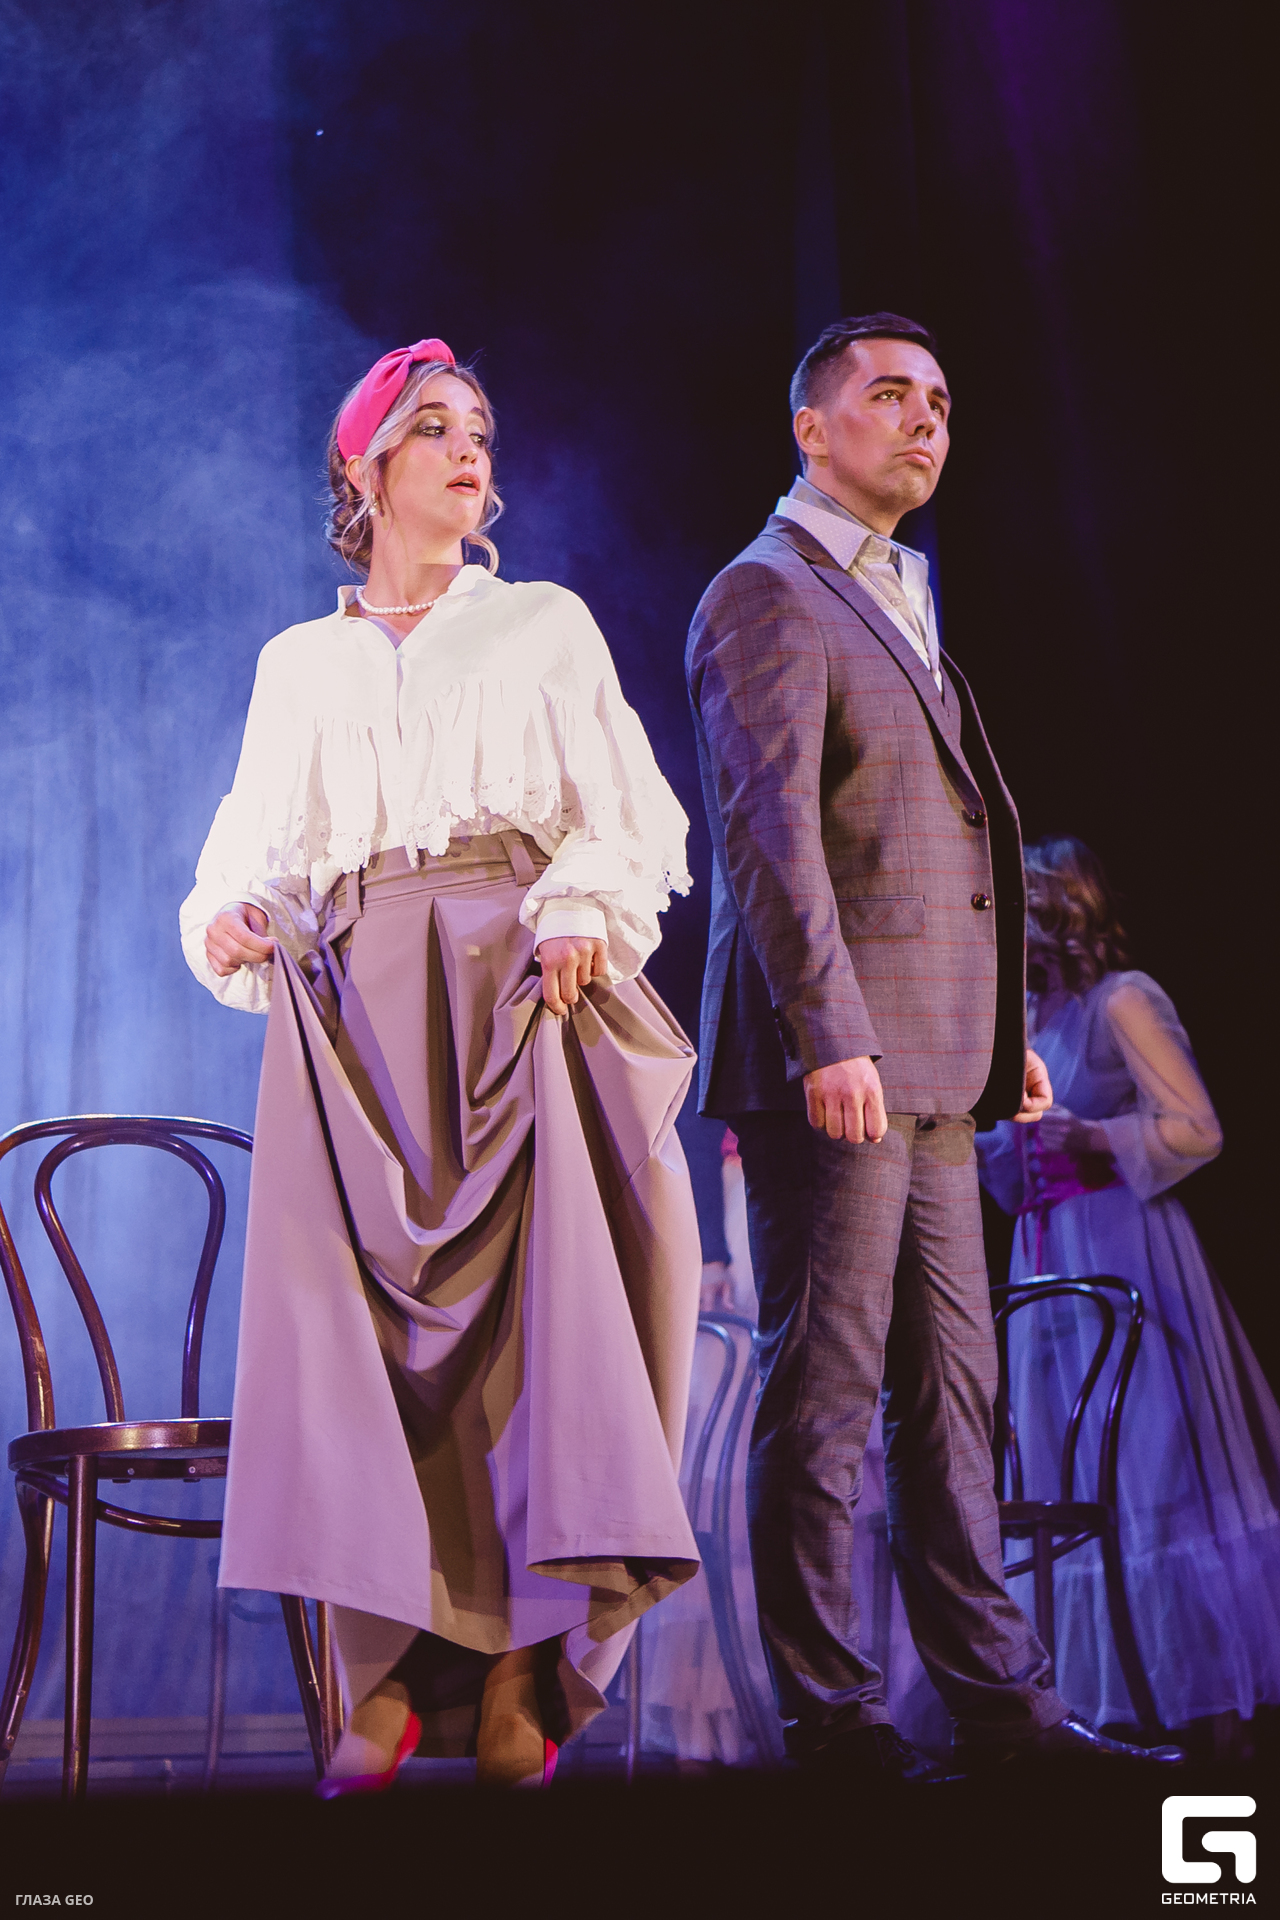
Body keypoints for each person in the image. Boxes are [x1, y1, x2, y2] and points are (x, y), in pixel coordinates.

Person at [180, 338, 701, 1790]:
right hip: (362, 1019)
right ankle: (383, 1672)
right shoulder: (301, 663)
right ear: (363, 469)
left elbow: (628, 815)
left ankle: (529, 1667)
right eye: (431, 427)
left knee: (541, 1331)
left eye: (479, 428)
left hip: (518, 987)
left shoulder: (542, 624)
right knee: (361, 1342)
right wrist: (230, 916)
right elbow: (258, 849)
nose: (469, 450)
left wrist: (580, 909)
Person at [685, 312, 1182, 1776]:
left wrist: (1001, 1027)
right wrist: (828, 1034)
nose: (925, 422)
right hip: (834, 1064)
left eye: (942, 403)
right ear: (811, 428)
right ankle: (831, 1719)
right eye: (892, 395)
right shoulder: (767, 589)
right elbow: (771, 837)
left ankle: (1002, 1711)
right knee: (826, 1390)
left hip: (938, 1065)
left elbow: (936, 850)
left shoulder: (896, 595)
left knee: (952, 1393)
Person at [978, 836, 1280, 1753]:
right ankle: (1087, 1700)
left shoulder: (1123, 1000)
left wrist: (1095, 1138)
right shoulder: (1027, 1019)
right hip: (1046, 1262)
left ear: (1054, 906)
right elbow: (1010, 1174)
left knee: (1149, 1466)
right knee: (1062, 1471)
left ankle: (1203, 1702)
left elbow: (1197, 1127)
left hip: (1123, 1249)